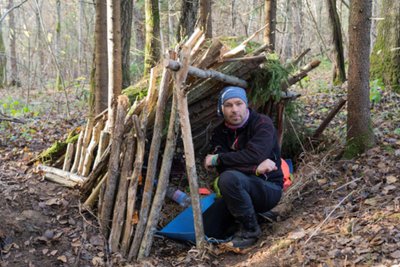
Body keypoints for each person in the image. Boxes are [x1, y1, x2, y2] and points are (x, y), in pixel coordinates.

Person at [203, 86, 283, 249]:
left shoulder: (262, 124)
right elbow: (223, 169)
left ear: (246, 105)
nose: (234, 109)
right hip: (237, 191)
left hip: (268, 188)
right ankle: (254, 216)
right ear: (221, 109)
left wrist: (219, 159)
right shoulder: (219, 133)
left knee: (230, 179)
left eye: (239, 103)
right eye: (228, 105)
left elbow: (254, 155)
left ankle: (250, 230)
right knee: (208, 229)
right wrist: (254, 168)